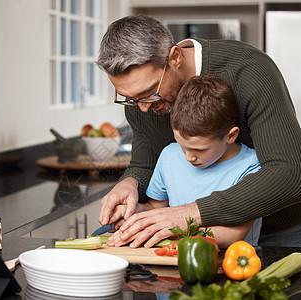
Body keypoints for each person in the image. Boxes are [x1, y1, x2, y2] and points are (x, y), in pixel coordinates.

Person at [96, 15, 301, 249]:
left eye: (149, 91)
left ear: (174, 57)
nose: (142, 107)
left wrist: (190, 213)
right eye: (130, 98)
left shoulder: (249, 71)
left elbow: (290, 174)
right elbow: (146, 164)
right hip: (188, 233)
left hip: (280, 228)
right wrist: (130, 182)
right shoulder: (141, 101)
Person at [111, 75, 262, 248]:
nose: (188, 157)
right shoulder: (169, 155)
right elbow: (155, 208)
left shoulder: (252, 166)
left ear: (231, 136)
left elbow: (232, 235)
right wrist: (131, 213)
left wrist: (175, 231)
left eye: (200, 149)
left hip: (234, 263)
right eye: (182, 146)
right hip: (174, 259)